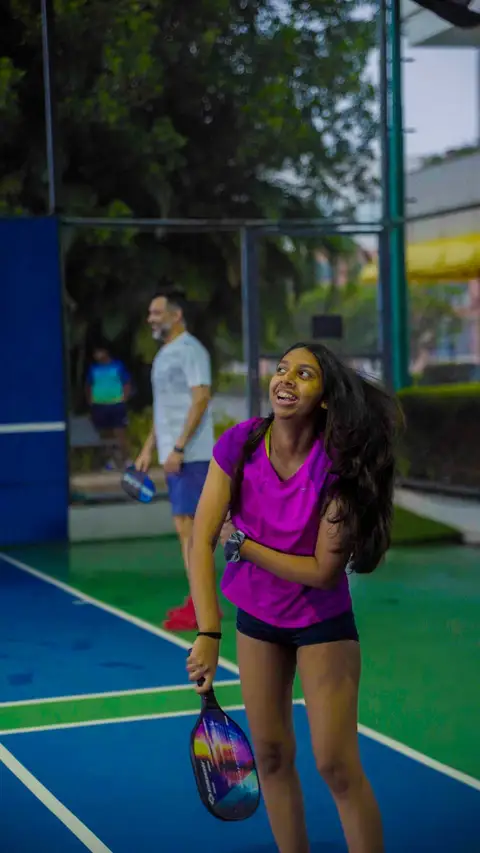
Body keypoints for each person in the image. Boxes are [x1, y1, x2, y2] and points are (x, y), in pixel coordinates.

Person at [186, 342, 401, 853]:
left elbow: (323, 572)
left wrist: (245, 546)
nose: (285, 379)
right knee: (271, 755)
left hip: (320, 621)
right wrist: (208, 630)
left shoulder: (339, 464)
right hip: (256, 620)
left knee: (336, 764)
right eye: (282, 369)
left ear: (324, 398)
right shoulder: (240, 444)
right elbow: (201, 538)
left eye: (304, 374)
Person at [135, 286, 215, 631]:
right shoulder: (165, 354)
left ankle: (202, 606)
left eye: (156, 313)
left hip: (191, 455)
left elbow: (201, 398)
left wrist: (180, 447)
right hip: (175, 455)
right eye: (150, 313)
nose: (150, 319)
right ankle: (199, 600)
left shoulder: (191, 350)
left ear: (176, 315)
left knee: (192, 531)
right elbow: (165, 408)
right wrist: (148, 448)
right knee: (186, 530)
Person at [85, 344, 132, 470]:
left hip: (116, 404)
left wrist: (124, 398)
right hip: (99, 405)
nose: (97, 355)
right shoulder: (93, 368)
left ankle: (126, 459)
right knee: (105, 435)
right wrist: (90, 401)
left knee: (120, 433)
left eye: (99, 352)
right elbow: (88, 385)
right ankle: (111, 460)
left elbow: (126, 383)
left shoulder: (117, 366)